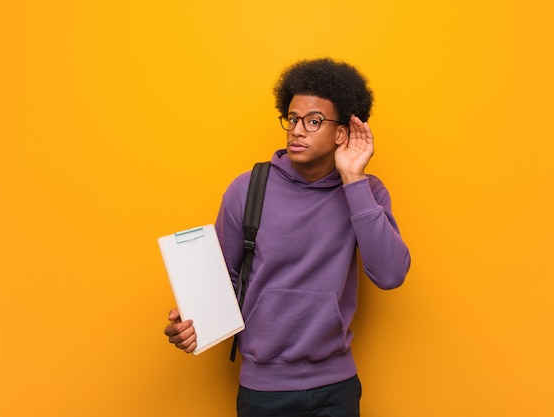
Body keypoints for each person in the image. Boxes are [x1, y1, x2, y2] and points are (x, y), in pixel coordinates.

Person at [164, 57, 411, 417]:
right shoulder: (247, 189)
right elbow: (224, 282)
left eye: (313, 122)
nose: (297, 130)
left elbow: (390, 275)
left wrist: (354, 180)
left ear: (341, 133)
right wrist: (193, 323)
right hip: (263, 389)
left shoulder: (365, 192)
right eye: (292, 119)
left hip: (336, 387)